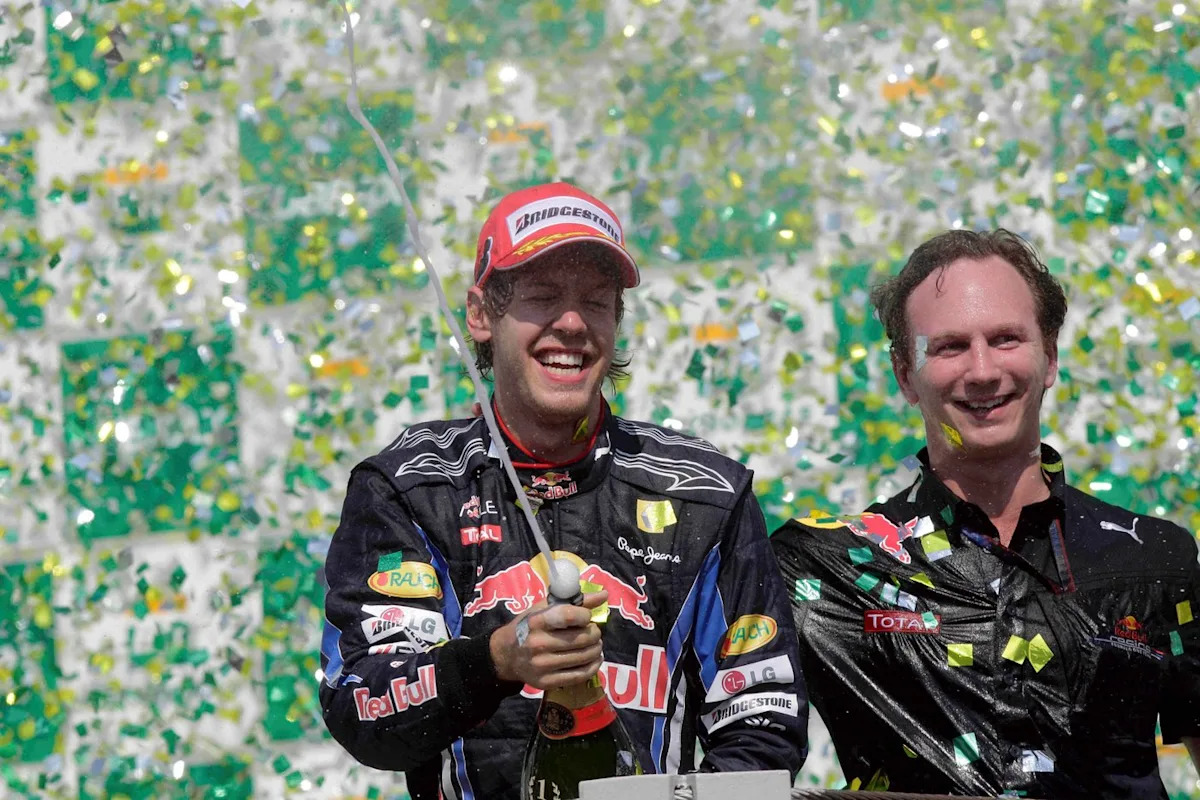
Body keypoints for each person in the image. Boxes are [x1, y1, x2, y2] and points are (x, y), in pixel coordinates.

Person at [320, 181, 807, 799]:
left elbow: (765, 729)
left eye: (596, 302)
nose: (572, 324)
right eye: (544, 297)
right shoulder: (410, 487)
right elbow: (363, 710)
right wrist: (495, 661)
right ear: (480, 315)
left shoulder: (706, 494)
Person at [772, 228, 1200, 798]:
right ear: (905, 375)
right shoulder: (819, 567)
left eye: (1005, 339)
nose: (981, 370)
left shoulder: (1157, 558)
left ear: (1050, 356)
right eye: (949, 347)